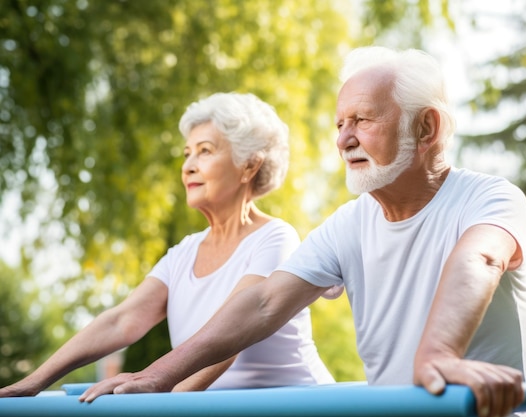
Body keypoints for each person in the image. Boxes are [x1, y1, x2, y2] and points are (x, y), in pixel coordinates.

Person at [75, 46, 526, 417]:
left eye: (362, 119)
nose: (343, 139)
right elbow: (263, 302)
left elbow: (478, 259)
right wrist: (159, 375)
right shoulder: (347, 225)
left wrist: (438, 355)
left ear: (425, 127)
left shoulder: (490, 198)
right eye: (339, 125)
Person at [0, 92, 335, 397]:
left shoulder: (276, 238)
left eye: (205, 151)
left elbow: (231, 336)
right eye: (187, 153)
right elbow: (122, 320)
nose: (189, 165)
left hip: (298, 405)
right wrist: (32, 383)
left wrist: (164, 393)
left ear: (249, 165)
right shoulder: (183, 254)